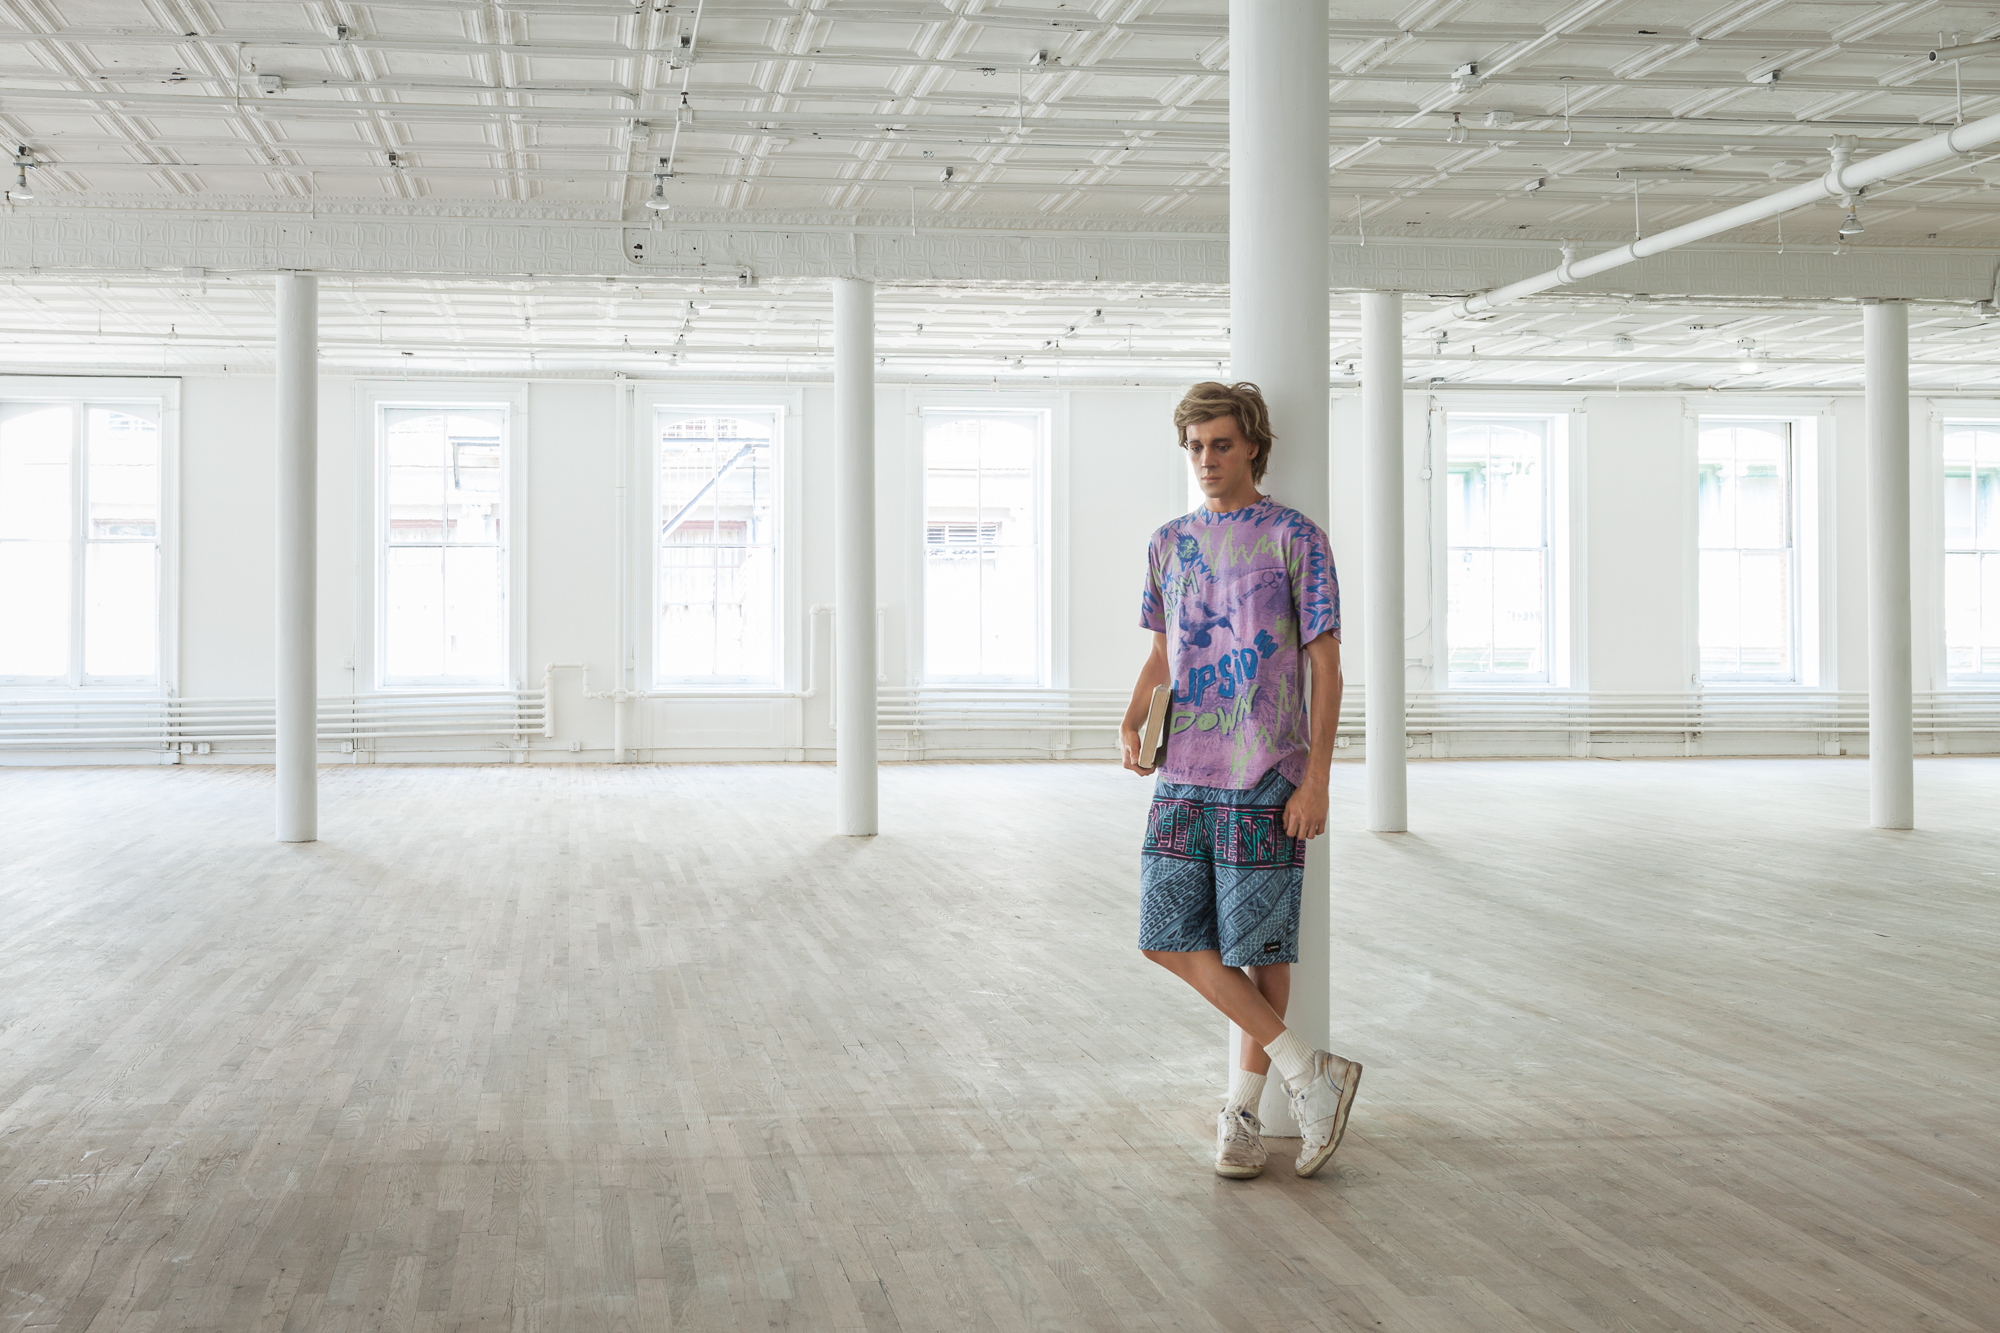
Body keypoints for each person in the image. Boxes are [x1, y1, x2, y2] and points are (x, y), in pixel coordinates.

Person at [1120, 380, 1361, 1181]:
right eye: (1194, 447)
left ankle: (1243, 1113)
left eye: (1220, 444)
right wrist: (1132, 718)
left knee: (1260, 945)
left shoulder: (1297, 538)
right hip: (1184, 770)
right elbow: (1164, 654)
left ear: (1253, 444)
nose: (1206, 461)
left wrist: (1317, 777)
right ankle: (1307, 1071)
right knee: (1164, 934)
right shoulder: (1168, 543)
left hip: (1266, 772)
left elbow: (1324, 662)